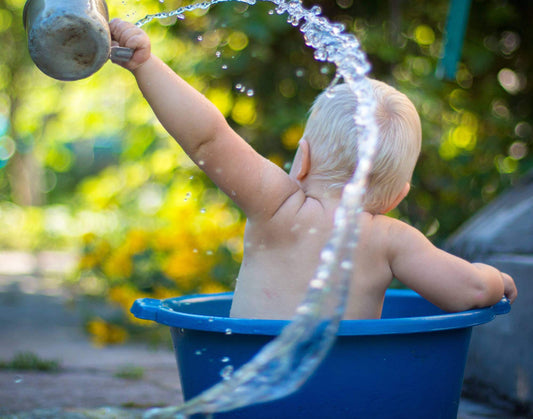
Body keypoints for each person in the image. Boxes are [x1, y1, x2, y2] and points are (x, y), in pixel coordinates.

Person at [109, 18, 517, 320]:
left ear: (301, 159)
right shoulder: (392, 240)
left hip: (249, 381)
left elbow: (208, 139)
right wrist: (498, 280)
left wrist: (146, 64)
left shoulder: (277, 206)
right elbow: (470, 290)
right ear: (397, 196)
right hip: (344, 396)